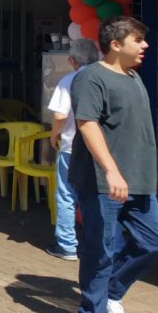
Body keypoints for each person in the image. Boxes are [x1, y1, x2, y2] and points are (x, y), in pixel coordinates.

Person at [70, 17, 158, 313]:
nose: (145, 45)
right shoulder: (90, 77)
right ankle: (93, 308)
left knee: (153, 241)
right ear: (115, 44)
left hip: (139, 180)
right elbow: (87, 124)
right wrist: (111, 170)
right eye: (138, 40)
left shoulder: (134, 77)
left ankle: (112, 291)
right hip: (101, 182)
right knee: (100, 251)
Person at [45, 38, 100, 261]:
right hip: (99, 149)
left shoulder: (68, 80)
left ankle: (67, 244)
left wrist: (53, 135)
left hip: (71, 147)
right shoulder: (103, 79)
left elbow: (60, 115)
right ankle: (97, 242)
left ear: (71, 60)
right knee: (95, 196)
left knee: (67, 195)